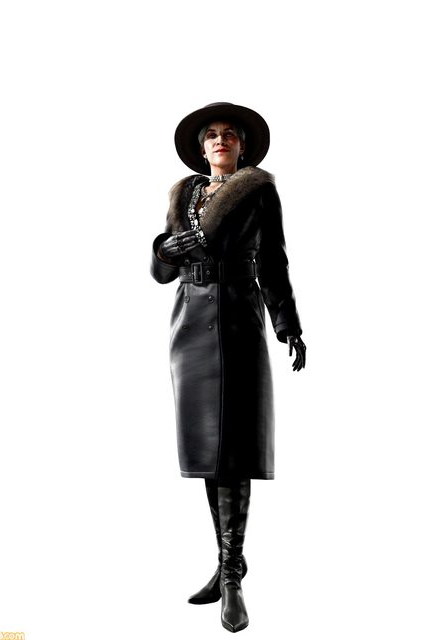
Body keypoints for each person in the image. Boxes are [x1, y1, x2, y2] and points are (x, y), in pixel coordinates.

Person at [150, 102, 306, 633]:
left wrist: (288, 324)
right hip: (190, 328)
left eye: (229, 135)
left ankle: (233, 574)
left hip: (239, 319)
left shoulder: (258, 190)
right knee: (208, 451)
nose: (220, 140)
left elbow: (274, 261)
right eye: (212, 135)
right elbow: (159, 273)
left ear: (242, 147)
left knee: (235, 445)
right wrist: (168, 248)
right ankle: (224, 561)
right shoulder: (183, 195)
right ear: (202, 150)